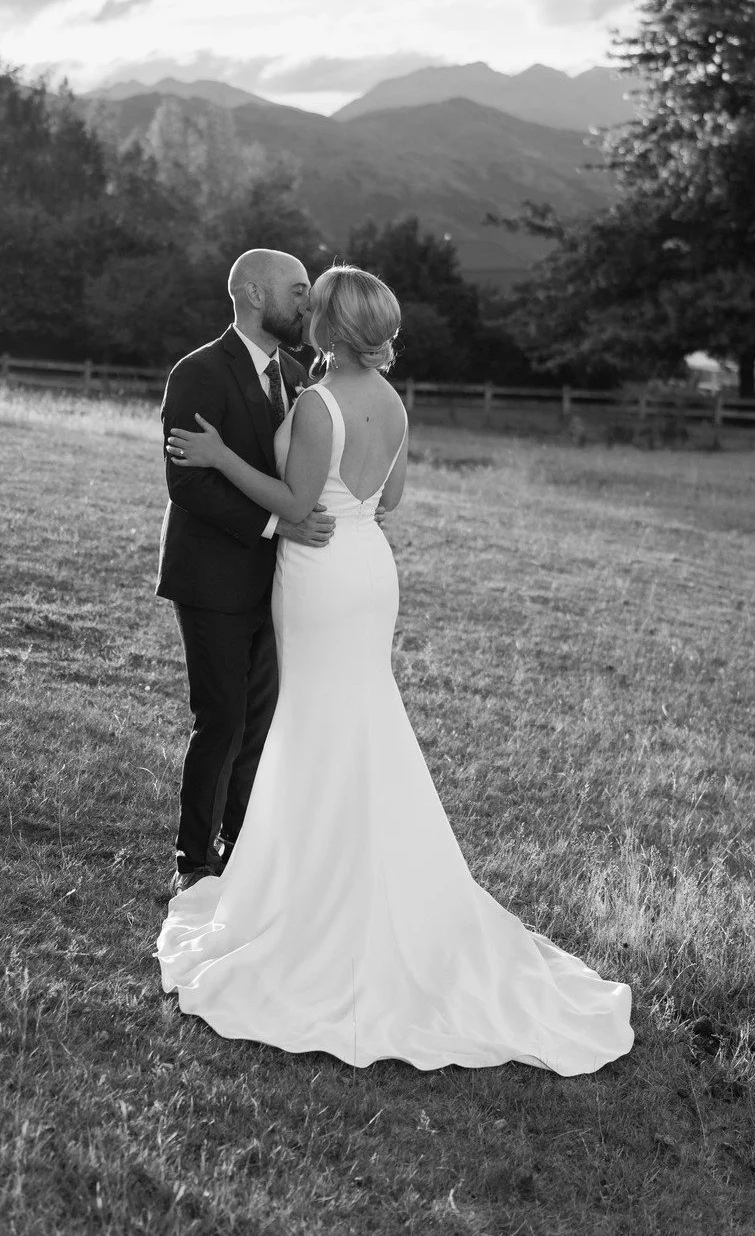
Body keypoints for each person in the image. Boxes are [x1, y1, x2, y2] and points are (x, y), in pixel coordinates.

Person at [155, 264, 633, 1073]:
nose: (302, 308)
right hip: (368, 567)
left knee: (312, 720)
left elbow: (297, 504)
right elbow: (389, 500)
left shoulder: (316, 401)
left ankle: (310, 889)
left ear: (328, 329)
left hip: (321, 575)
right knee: (356, 716)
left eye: (314, 302)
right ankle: (349, 868)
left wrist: (218, 457)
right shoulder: (393, 403)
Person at [156, 249, 334, 898]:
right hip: (211, 577)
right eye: (297, 291)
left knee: (259, 721)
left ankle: (241, 845)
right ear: (255, 295)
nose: (306, 304)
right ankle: (192, 860)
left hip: (277, 581)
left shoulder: (295, 375)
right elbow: (187, 483)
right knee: (222, 718)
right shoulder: (199, 371)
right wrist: (272, 526)